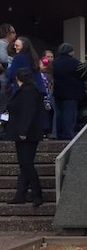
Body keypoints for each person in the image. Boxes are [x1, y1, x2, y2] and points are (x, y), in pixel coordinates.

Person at [5, 68, 45, 206]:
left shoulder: (28, 91)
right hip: (25, 132)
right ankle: (21, 194)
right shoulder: (28, 90)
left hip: (27, 133)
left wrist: (23, 130)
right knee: (24, 164)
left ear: (18, 78)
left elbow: (28, 112)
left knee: (27, 164)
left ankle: (37, 194)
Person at [52, 43, 85, 140]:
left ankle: (58, 133)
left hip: (58, 91)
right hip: (72, 92)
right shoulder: (75, 63)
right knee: (69, 114)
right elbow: (83, 75)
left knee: (59, 113)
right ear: (70, 52)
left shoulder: (55, 62)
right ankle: (68, 133)